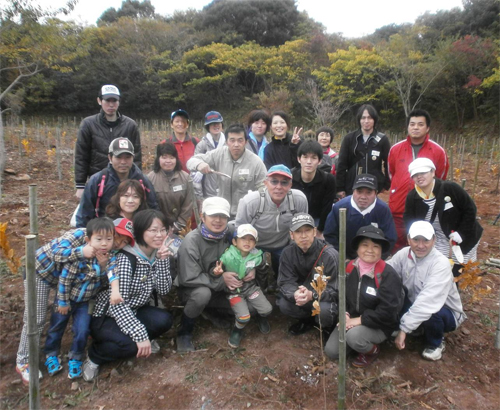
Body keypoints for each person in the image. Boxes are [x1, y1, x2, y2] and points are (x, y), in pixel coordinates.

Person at [15, 218, 134, 384]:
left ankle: (71, 356)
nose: (116, 244)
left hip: (69, 286)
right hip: (41, 271)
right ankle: (23, 360)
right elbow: (56, 254)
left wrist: (105, 268)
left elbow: (107, 277)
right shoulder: (80, 235)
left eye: (123, 242)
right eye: (117, 237)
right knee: (36, 319)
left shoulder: (109, 254)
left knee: (76, 326)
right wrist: (81, 252)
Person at [83, 210, 174, 381]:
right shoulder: (127, 258)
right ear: (140, 231)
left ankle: (137, 338)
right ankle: (95, 356)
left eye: (163, 230)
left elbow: (163, 290)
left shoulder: (157, 253)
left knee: (164, 320)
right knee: (130, 346)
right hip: (107, 315)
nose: (159, 235)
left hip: (135, 309)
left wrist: (162, 261)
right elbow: (117, 304)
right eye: (153, 230)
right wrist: (139, 334)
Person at [43, 218, 117, 379]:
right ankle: (51, 354)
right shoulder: (79, 256)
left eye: (109, 239)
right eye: (99, 239)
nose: (104, 244)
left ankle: (76, 357)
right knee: (57, 326)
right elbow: (65, 280)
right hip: (67, 299)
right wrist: (62, 302)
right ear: (88, 240)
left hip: (86, 302)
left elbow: (108, 280)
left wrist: (103, 267)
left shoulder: (109, 258)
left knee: (82, 329)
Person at [324, 226, 404, 367]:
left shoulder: (387, 275)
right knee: (332, 352)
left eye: (375, 246)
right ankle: (356, 342)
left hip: (379, 325)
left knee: (353, 337)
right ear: (357, 248)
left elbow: (388, 312)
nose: (369, 250)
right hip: (352, 318)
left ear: (381, 250)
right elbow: (340, 295)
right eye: (365, 245)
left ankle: (372, 350)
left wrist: (359, 320)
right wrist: (345, 314)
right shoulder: (348, 268)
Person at [388, 221, 466, 361]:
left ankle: (435, 343)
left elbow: (428, 301)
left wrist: (404, 329)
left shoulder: (440, 264)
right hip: (414, 302)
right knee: (393, 291)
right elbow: (387, 273)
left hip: (444, 311)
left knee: (432, 312)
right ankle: (417, 328)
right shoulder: (403, 254)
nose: (421, 245)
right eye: (416, 240)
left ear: (434, 240)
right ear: (408, 239)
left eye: (426, 240)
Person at [175, 197, 242, 353]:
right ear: (203, 217)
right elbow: (189, 278)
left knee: (251, 307)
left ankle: (209, 311)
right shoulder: (191, 242)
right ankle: (184, 331)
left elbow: (248, 251)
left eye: (223, 216)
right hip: (192, 289)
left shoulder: (231, 234)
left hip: (220, 286)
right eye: (213, 216)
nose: (218, 220)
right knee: (201, 295)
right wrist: (223, 280)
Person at [403, 158, 483, 276]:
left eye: (423, 173)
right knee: (436, 267)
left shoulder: (450, 188)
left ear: (433, 172)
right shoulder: (412, 197)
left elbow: (470, 209)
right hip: (435, 236)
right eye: (415, 175)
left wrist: (461, 233)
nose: (419, 177)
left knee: (455, 270)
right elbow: (409, 219)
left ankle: (452, 291)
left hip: (461, 235)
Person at [235, 165, 308, 291]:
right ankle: (258, 288)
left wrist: (294, 252)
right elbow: (239, 230)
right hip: (256, 244)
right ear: (265, 183)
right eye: (274, 181)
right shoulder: (250, 202)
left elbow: (302, 229)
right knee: (254, 273)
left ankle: (282, 287)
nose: (278, 187)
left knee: (289, 269)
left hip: (283, 243)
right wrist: (249, 257)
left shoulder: (299, 199)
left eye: (284, 182)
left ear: (290, 185)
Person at [388, 109, 449, 252]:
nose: (415, 127)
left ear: (427, 128)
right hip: (398, 207)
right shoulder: (395, 149)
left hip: (425, 209)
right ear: (407, 126)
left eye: (420, 124)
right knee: (398, 246)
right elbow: (391, 174)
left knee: (421, 246)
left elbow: (440, 177)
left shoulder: (438, 151)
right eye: (412, 124)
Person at [74, 85, 141, 201]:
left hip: (123, 182)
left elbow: (137, 157)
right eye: (107, 100)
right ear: (99, 101)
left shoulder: (130, 125)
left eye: (114, 101)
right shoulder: (88, 124)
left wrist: (136, 182)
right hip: (97, 181)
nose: (111, 105)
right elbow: (81, 155)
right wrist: (80, 184)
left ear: (119, 102)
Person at [277, 213, 339, 335]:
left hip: (323, 299)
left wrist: (313, 295)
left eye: (307, 230)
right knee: (284, 304)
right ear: (291, 235)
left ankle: (327, 328)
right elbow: (284, 282)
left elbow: (337, 290)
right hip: (303, 296)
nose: (303, 236)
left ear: (314, 232)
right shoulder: (287, 253)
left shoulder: (331, 255)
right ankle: (307, 320)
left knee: (325, 310)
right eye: (298, 231)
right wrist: (295, 293)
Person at [187, 124, 267, 218]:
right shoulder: (219, 154)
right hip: (222, 212)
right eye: (232, 140)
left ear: (246, 142)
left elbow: (264, 189)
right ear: (226, 142)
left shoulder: (256, 162)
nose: (236, 144)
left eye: (240, 140)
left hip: (247, 214)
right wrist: (199, 165)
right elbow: (191, 161)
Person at [212, 224, 273, 348]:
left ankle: (261, 318)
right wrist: (218, 273)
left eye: (251, 239)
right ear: (234, 241)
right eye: (243, 238)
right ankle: (237, 330)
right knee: (244, 317)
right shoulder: (228, 256)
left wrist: (256, 269)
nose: (247, 242)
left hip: (251, 288)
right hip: (234, 291)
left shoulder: (257, 255)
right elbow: (218, 270)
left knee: (267, 309)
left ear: (255, 243)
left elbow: (263, 267)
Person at [76, 137, 158, 228]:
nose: (123, 162)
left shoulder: (143, 181)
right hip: (104, 232)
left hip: (136, 231)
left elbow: (153, 209)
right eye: (118, 157)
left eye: (127, 157)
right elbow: (84, 214)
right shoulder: (98, 180)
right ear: (110, 157)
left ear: (133, 158)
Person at [324, 174, 397, 259]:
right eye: (359, 191)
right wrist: (342, 258)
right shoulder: (339, 207)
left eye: (368, 192)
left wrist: (377, 259)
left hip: (373, 259)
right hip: (344, 259)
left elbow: (390, 239)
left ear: (376, 193)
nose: (363, 197)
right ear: (353, 191)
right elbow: (329, 235)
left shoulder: (383, 210)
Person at [336, 104, 390, 198]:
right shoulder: (349, 138)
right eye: (363, 118)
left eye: (369, 118)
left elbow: (388, 164)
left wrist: (386, 184)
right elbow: (341, 165)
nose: (366, 121)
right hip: (352, 186)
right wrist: (340, 188)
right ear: (359, 120)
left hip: (374, 187)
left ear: (374, 120)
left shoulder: (382, 139)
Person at [291, 140, 336, 237]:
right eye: (305, 157)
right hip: (293, 218)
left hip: (317, 220)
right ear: (299, 159)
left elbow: (326, 208)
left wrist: (320, 230)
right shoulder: (290, 177)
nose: (309, 162)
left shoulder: (328, 180)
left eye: (313, 158)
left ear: (319, 161)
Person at [147, 141, 193, 232]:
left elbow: (188, 204)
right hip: (156, 228)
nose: (168, 161)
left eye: (172, 158)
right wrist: (160, 227)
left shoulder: (186, 178)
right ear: (158, 159)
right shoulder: (150, 179)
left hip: (181, 229)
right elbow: (148, 206)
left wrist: (177, 226)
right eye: (164, 157)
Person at [192, 111, 226, 199]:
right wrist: (200, 198)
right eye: (212, 124)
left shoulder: (229, 144)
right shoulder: (202, 145)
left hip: (226, 192)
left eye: (218, 123)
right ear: (208, 127)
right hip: (208, 193)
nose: (216, 126)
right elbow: (194, 169)